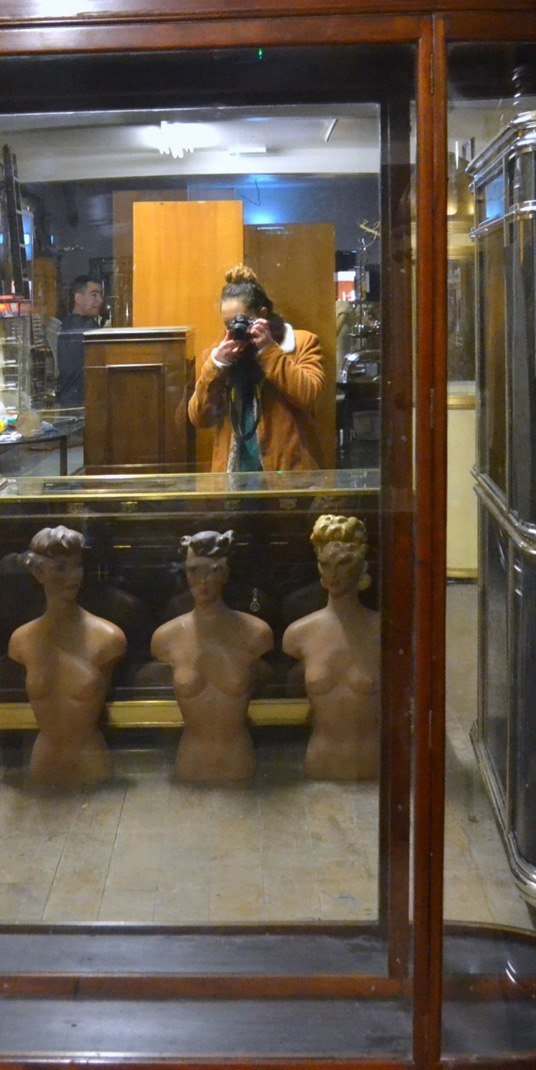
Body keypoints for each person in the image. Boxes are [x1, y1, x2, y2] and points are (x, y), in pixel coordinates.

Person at [7, 526, 126, 786]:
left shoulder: (108, 638)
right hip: (43, 762)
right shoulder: (22, 640)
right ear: (38, 572)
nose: (73, 576)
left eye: (77, 565)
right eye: (61, 568)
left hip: (90, 762)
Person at [150, 530, 272, 785]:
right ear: (184, 572)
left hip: (239, 762)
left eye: (213, 571)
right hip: (189, 763)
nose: (202, 581)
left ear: (226, 574)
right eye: (194, 571)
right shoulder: (166, 638)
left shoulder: (256, 633)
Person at [187, 264, 324, 472]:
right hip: (234, 477)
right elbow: (200, 417)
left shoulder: (301, 343)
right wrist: (217, 366)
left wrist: (268, 350)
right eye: (228, 325)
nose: (236, 330)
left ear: (262, 314)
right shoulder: (219, 354)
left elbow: (308, 396)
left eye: (242, 321)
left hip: (286, 474)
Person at [282, 515, 380, 782]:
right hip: (320, 760)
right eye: (325, 564)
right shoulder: (298, 635)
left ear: (361, 566)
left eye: (343, 563)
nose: (333, 573)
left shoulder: (383, 632)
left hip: (370, 763)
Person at [52, 275, 104, 408]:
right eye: (94, 295)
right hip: (80, 403)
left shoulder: (66, 325)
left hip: (72, 402)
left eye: (100, 295)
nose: (100, 300)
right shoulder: (85, 328)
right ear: (78, 298)